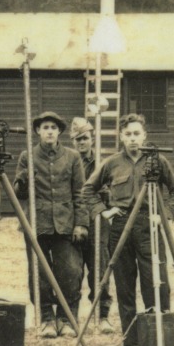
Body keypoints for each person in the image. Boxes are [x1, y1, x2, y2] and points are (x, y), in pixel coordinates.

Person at [81, 113, 174, 346]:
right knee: (125, 286)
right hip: (121, 225)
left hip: (149, 226)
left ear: (144, 135)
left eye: (137, 133)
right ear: (121, 137)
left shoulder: (158, 161)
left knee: (156, 283)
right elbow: (88, 190)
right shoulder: (112, 163)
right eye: (128, 134)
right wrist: (104, 211)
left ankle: (159, 342)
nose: (133, 138)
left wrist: (165, 215)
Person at [13, 111, 88, 339]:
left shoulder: (72, 157)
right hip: (37, 223)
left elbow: (80, 193)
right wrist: (24, 179)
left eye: (53, 128)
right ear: (38, 131)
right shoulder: (27, 156)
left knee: (71, 271)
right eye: (45, 127)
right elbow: (19, 193)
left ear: (59, 132)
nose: (49, 132)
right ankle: (46, 318)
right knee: (40, 274)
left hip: (66, 224)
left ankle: (67, 319)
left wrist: (81, 223)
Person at [68, 116, 114, 334]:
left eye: (85, 138)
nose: (81, 142)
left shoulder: (103, 164)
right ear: (72, 141)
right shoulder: (68, 162)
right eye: (77, 139)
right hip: (75, 221)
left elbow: (112, 193)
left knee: (100, 269)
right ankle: (71, 317)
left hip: (97, 222)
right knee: (72, 270)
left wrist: (107, 195)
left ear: (92, 139)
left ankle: (102, 315)